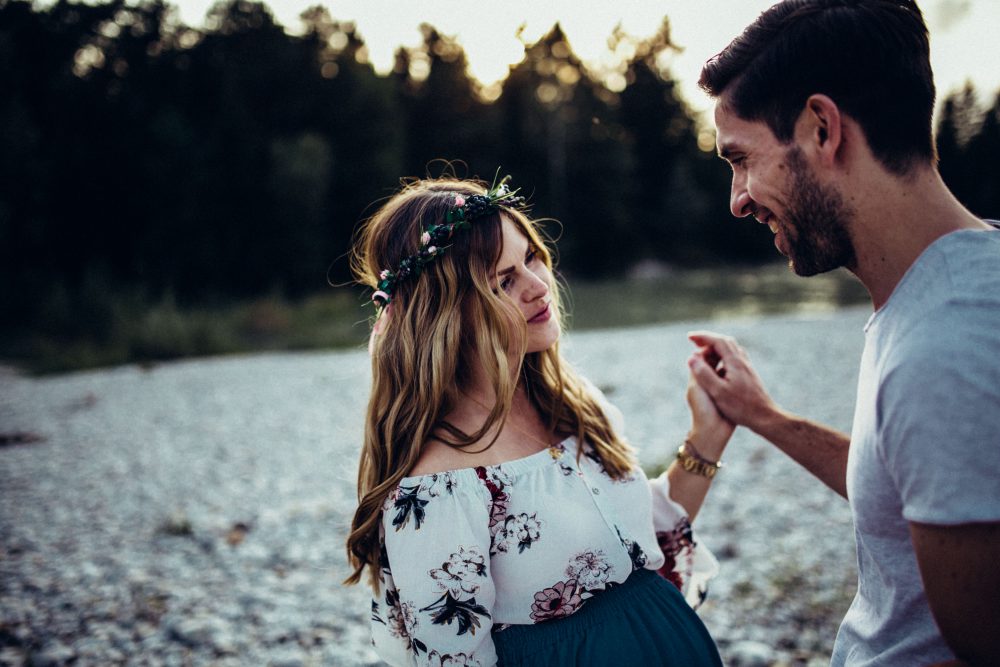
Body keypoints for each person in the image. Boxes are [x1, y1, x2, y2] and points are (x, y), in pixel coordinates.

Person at [691, 1, 1000, 665]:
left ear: (821, 129)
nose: (737, 199)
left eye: (741, 159)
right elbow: (908, 485)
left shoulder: (945, 346)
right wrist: (764, 416)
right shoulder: (953, 284)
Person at [344, 175, 731, 666]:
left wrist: (709, 436)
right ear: (446, 314)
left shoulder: (571, 404)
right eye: (504, 281)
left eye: (530, 257)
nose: (539, 285)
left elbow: (639, 544)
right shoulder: (438, 489)